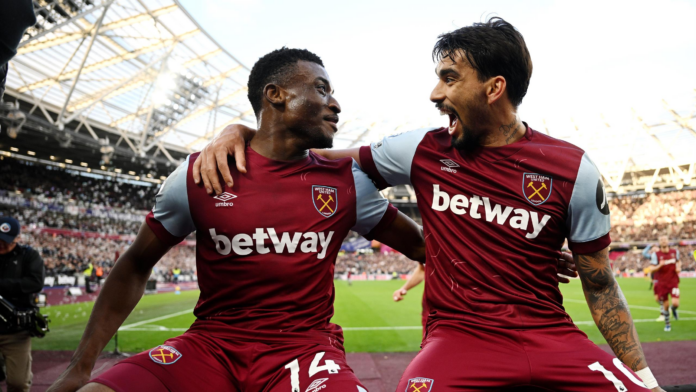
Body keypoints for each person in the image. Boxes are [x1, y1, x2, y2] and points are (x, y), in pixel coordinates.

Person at [195, 18, 663, 391]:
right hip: (459, 338)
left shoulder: (574, 169)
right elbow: (310, 156)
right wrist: (240, 131)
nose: (435, 93)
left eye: (449, 79)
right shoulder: (423, 148)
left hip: (552, 336)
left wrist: (643, 375)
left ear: (493, 88)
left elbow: (600, 286)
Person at [47, 47, 427, 392]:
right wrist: (81, 366)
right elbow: (135, 263)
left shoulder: (347, 182)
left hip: (305, 351)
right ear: (275, 94)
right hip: (209, 347)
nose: (336, 104)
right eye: (322, 89)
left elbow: (425, 249)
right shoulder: (200, 174)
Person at [0, 217, 45, 392]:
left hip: (16, 330)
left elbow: (35, 283)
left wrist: (3, 285)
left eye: (6, 241)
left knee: (18, 383)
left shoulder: (29, 256)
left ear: (17, 238)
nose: (2, 245)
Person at [648, 236, 681, 332]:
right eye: (661, 240)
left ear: (668, 241)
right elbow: (651, 268)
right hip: (662, 283)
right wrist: (660, 265)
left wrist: (679, 267)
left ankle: (674, 309)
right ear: (659, 242)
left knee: (675, 303)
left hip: (673, 281)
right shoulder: (656, 255)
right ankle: (667, 324)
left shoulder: (675, 252)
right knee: (665, 305)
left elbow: (679, 261)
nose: (663, 241)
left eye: (665, 239)